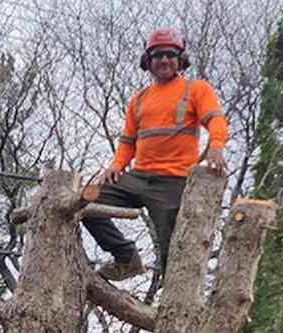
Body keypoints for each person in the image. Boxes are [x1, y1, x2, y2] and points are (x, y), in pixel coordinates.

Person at [83, 27, 228, 282]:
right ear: (148, 62)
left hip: (173, 181)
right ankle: (126, 257)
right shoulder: (139, 99)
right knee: (84, 203)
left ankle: (173, 302)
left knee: (172, 248)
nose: (164, 60)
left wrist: (216, 145)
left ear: (180, 59)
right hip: (139, 177)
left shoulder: (195, 89)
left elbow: (215, 118)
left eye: (170, 55)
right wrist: (117, 165)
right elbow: (128, 141)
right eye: (158, 55)